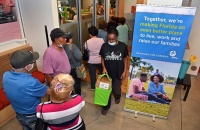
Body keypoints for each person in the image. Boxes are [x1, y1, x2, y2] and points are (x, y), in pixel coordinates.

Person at [3, 50, 50, 130]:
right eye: (32, 62)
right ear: (27, 67)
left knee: (25, 127)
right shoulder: (31, 82)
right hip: (32, 116)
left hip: (18, 113)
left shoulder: (5, 75)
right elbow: (48, 91)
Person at [99, 28, 128, 115]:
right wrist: (104, 68)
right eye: (109, 39)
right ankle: (106, 106)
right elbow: (102, 58)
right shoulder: (104, 46)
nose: (111, 41)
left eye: (113, 39)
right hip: (107, 73)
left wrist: (124, 71)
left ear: (117, 37)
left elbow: (125, 59)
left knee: (116, 90)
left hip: (118, 72)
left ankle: (117, 96)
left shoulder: (122, 46)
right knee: (106, 90)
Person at [85, 26, 104, 90]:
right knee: (102, 73)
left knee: (92, 75)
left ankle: (93, 87)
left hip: (91, 61)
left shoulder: (87, 42)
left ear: (90, 34)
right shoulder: (101, 40)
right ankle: (102, 85)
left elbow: (85, 49)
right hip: (100, 60)